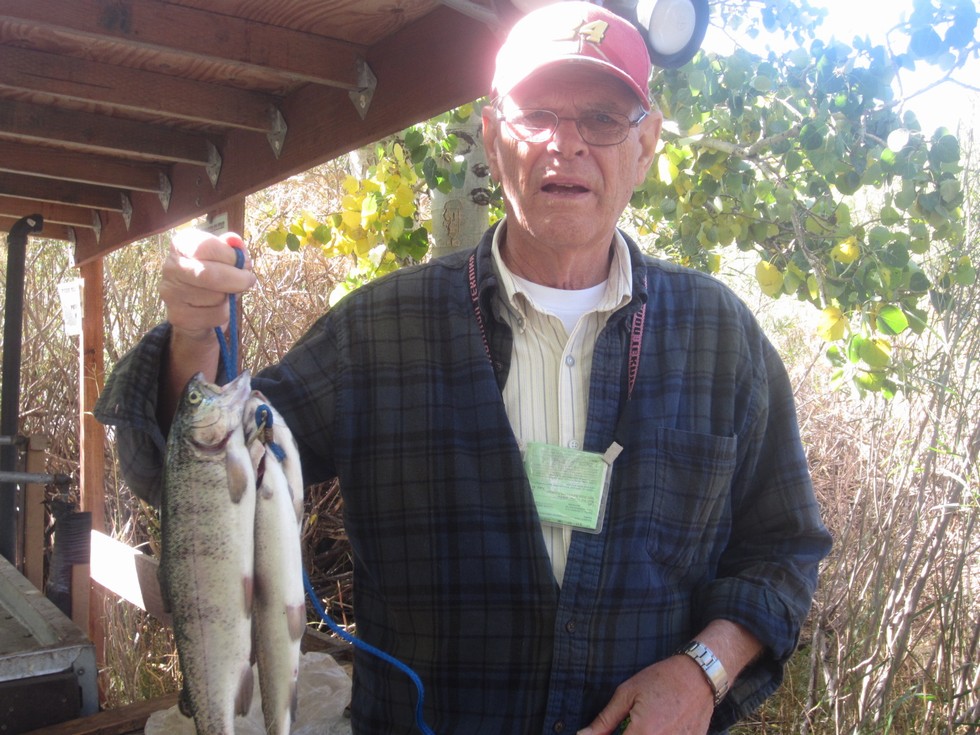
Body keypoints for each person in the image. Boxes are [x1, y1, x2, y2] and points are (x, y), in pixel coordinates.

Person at [95, 3, 832, 734]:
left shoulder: (719, 335)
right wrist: (194, 337)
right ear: (492, 137)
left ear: (645, 145)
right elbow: (199, 472)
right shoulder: (377, 330)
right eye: (535, 115)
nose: (565, 144)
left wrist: (704, 670)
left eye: (603, 119)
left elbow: (785, 547)